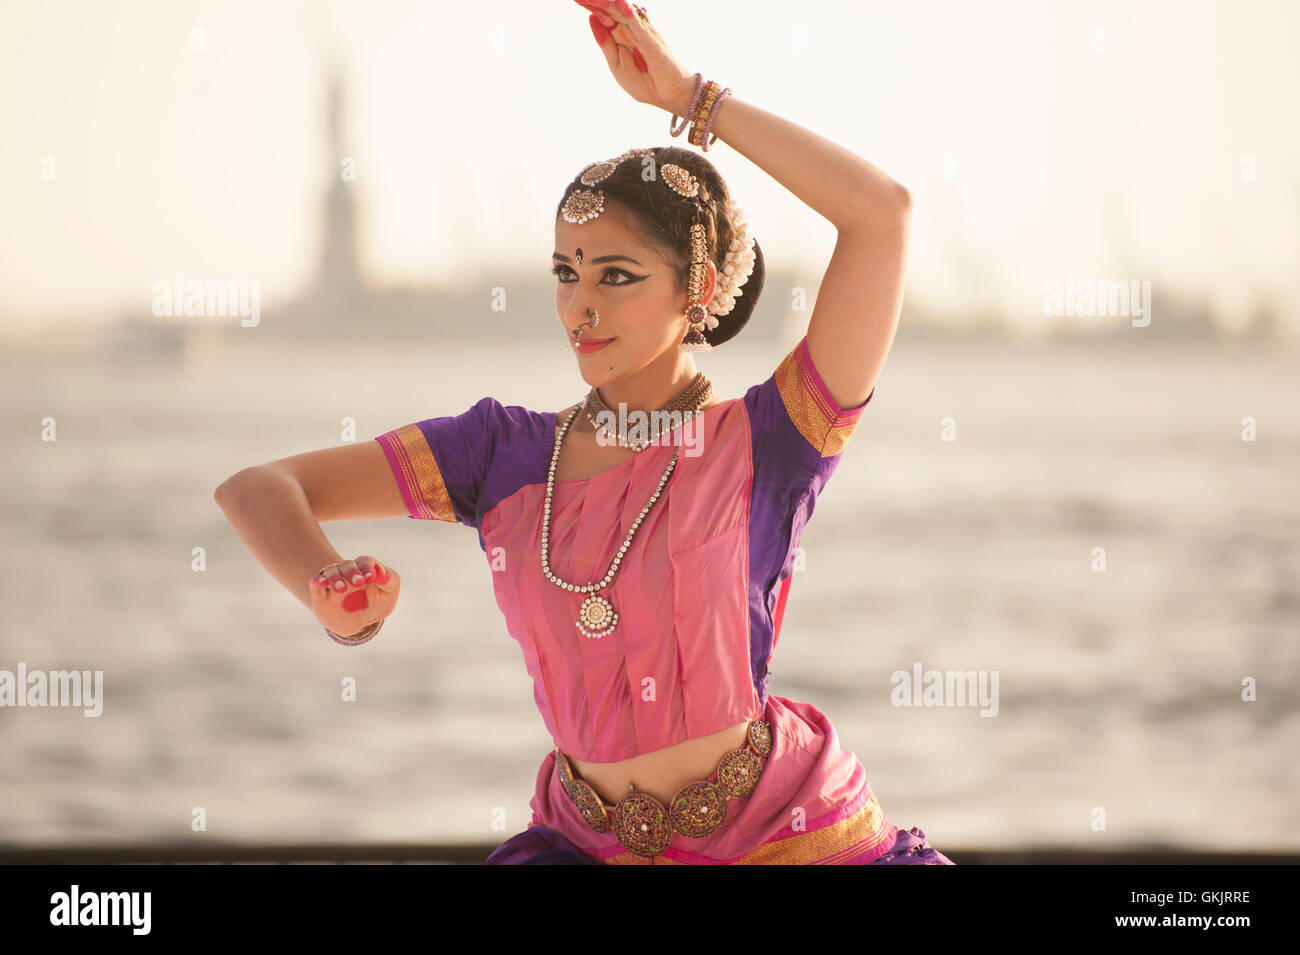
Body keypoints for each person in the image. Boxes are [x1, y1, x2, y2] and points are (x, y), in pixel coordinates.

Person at [215, 0, 953, 865]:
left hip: (778, 841)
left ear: (697, 286)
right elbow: (261, 488)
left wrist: (690, 97)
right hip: (582, 847)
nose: (580, 306)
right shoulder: (499, 454)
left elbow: (883, 215)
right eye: (565, 273)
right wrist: (327, 586)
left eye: (616, 275)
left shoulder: (772, 439)